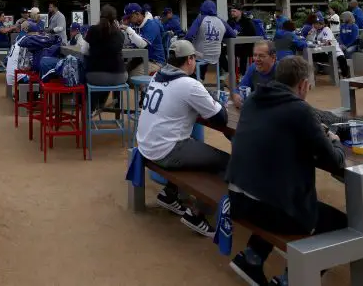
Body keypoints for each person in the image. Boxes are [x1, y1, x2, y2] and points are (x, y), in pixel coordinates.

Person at [226, 57, 346, 286]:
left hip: (237, 199)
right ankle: (292, 279)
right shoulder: (299, 109)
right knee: (340, 223)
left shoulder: (252, 100)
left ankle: (251, 258)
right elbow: (334, 162)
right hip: (267, 208)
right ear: (302, 85)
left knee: (273, 191)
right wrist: (335, 140)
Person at [136, 39, 229, 238]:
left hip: (145, 145)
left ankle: (170, 194)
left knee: (194, 146)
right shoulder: (188, 84)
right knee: (226, 162)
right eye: (194, 58)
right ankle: (197, 214)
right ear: (188, 60)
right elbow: (221, 118)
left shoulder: (156, 76)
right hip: (165, 151)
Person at [84, 6, 128, 94]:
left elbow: (84, 50)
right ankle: (117, 103)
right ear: (115, 19)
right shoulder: (120, 34)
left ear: (100, 16)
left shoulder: (92, 30)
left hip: (95, 76)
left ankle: (92, 105)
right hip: (118, 76)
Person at [184, 0, 232, 80]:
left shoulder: (200, 19)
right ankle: (201, 77)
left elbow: (189, 36)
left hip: (201, 56)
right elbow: (232, 34)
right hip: (216, 56)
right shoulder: (221, 21)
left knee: (186, 55)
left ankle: (194, 79)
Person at [233, 41, 278, 108]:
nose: (256, 59)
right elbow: (239, 88)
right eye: (255, 55)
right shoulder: (253, 68)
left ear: (273, 58)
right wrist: (236, 96)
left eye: (261, 56)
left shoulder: (282, 71)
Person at [121, 2, 165, 68]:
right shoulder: (135, 25)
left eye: (130, 17)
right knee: (123, 69)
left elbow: (142, 44)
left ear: (137, 14)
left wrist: (128, 29)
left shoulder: (151, 24)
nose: (129, 20)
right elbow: (128, 41)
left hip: (155, 62)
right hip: (141, 60)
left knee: (130, 75)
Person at [227, 7, 258, 75]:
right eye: (231, 11)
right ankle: (232, 74)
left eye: (234, 11)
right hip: (233, 48)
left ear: (240, 11)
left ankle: (242, 74)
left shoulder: (248, 22)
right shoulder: (229, 22)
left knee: (243, 56)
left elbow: (252, 36)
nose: (232, 13)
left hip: (245, 48)